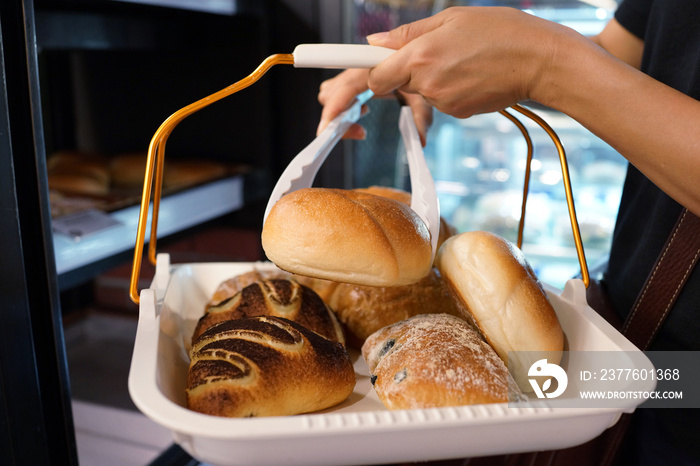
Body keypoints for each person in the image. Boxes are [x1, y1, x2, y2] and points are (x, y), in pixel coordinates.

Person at [316, 2, 699, 465]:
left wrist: (543, 60)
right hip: (630, 334)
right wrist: (439, 61)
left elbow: (571, 67)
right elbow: (616, 57)